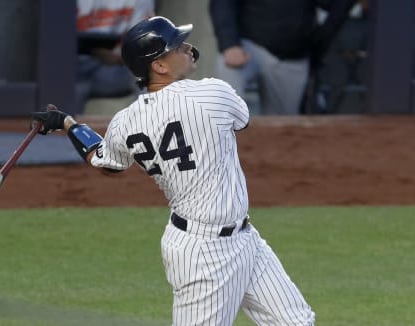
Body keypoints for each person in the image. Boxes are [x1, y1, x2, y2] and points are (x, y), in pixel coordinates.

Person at [31, 16, 315, 326]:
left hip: (245, 240)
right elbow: (241, 120)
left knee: (296, 322)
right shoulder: (213, 94)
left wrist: (68, 124)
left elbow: (105, 162)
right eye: (177, 46)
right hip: (204, 253)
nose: (188, 48)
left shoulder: (125, 122)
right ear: (160, 66)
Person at [209, 0, 356, 115]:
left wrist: (316, 49)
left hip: (293, 54)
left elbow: (337, 7)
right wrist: (229, 44)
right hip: (249, 47)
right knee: (227, 69)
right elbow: (222, 3)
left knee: (282, 125)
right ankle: (224, 137)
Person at [75, 0, 154, 112]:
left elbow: (143, 44)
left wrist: (119, 56)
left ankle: (146, 125)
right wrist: (94, 51)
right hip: (72, 69)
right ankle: (63, 125)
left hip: (112, 70)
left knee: (149, 72)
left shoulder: (141, 1)